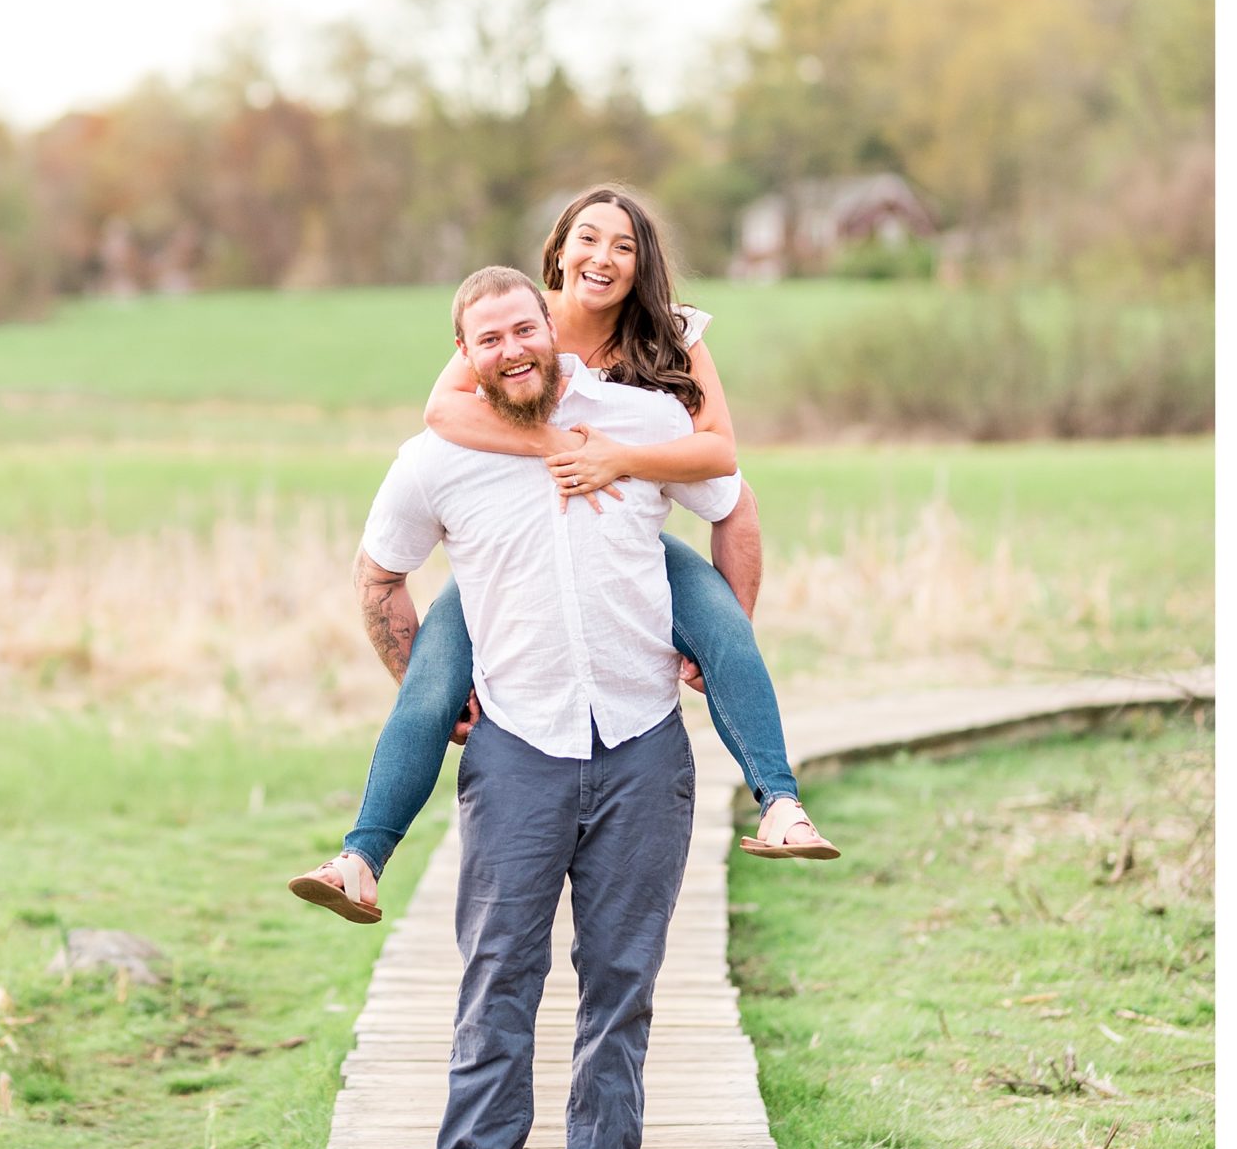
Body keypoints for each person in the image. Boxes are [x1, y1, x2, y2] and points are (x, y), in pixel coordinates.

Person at [290, 185, 836, 926]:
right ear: (558, 250)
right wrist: (555, 445)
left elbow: (719, 456)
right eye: (587, 238)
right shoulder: (525, 318)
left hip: (624, 533)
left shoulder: (670, 334)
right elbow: (443, 411)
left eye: (623, 245)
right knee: (430, 682)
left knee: (724, 625)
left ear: (641, 264)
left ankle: (781, 806)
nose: (602, 257)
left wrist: (619, 460)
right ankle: (359, 858)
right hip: (515, 550)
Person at [351, 264, 742, 1149]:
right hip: (517, 747)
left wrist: (723, 637)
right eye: (487, 338)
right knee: (499, 969)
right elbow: (378, 572)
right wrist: (430, 693)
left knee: (621, 973)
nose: (511, 346)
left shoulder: (634, 425)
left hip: (641, 744)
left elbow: (731, 498)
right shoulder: (435, 458)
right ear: (466, 355)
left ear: (553, 330)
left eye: (523, 326)